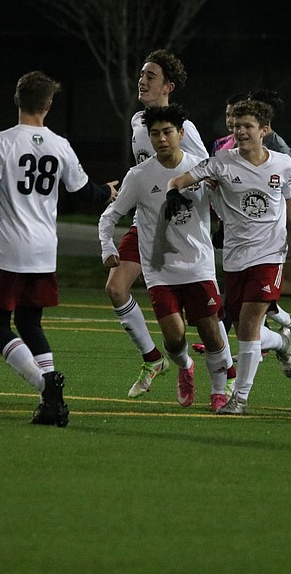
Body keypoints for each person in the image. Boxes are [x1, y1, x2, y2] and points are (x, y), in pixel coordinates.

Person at [0, 71, 117, 427]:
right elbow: (84, 190)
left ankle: (46, 385)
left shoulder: (0, 142)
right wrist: (108, 192)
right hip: (43, 251)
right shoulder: (59, 144)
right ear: (49, 105)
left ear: (17, 99)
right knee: (29, 321)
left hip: (9, 250)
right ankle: (51, 403)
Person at [168, 98, 291, 415]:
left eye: (248, 126)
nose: (241, 132)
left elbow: (290, 201)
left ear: (264, 130)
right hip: (235, 256)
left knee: (248, 324)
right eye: (237, 126)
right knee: (246, 325)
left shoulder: (283, 163)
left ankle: (239, 398)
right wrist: (175, 193)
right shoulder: (220, 163)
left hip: (270, 253)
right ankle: (281, 343)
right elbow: (181, 179)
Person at [99, 104, 234, 412]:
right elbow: (110, 215)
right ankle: (185, 366)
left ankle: (217, 391)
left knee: (211, 331)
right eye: (155, 133)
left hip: (198, 264)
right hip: (160, 269)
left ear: (181, 134)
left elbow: (223, 210)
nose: (161, 139)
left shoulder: (200, 169)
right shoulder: (139, 176)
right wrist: (108, 247)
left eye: (167, 132)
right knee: (174, 338)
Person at [106, 50, 208, 399]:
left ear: (169, 86)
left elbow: (204, 169)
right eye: (142, 74)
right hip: (145, 222)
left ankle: (217, 359)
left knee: (192, 315)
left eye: (151, 76)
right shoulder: (138, 122)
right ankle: (152, 358)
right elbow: (146, 170)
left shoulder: (186, 129)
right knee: (116, 288)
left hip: (178, 227)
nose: (142, 80)